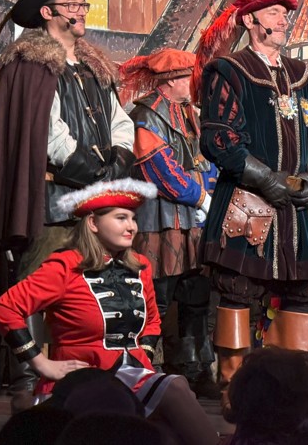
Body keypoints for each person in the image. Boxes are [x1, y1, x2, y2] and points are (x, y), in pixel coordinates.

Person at [0, 0, 134, 411]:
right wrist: (94, 169)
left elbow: (120, 121)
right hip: (52, 201)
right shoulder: (31, 65)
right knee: (33, 289)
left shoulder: (94, 68)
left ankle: (88, 388)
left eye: (83, 5)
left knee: (92, 293)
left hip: (95, 203)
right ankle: (29, 391)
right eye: (72, 5)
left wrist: (118, 160)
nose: (81, 12)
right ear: (48, 13)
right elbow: (49, 134)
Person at [0, 178, 219, 445]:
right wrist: (42, 364)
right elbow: (4, 308)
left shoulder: (140, 266)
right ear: (93, 223)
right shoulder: (66, 265)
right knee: (175, 388)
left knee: (168, 429)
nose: (132, 226)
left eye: (133, 218)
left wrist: (141, 356)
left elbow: (152, 321)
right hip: (79, 382)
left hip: (132, 377)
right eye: (121, 218)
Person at [193, 0, 308, 396]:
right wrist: (264, 178)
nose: (283, 20)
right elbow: (220, 138)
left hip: (300, 211)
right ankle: (233, 390)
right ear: (250, 20)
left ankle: (294, 392)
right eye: (274, 12)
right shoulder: (229, 71)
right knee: (236, 295)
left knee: (301, 298)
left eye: (284, 13)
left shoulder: (305, 77)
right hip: (248, 205)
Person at [120, 48, 218, 396]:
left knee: (196, 297)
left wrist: (209, 193)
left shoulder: (190, 113)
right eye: (190, 77)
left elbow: (206, 159)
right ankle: (142, 369)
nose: (195, 83)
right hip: (159, 221)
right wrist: (201, 196)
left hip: (193, 221)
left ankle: (194, 368)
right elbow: (161, 170)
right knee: (156, 298)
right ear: (172, 80)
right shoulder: (146, 116)